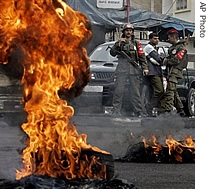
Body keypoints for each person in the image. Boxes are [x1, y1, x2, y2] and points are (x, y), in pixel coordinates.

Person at [109, 23, 149, 117]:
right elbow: (112, 53)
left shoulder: (136, 43)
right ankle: (116, 111)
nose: (129, 32)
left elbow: (142, 56)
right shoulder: (120, 42)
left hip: (133, 70)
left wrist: (145, 68)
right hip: (122, 70)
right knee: (119, 91)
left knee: (135, 92)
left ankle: (138, 111)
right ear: (124, 32)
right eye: (127, 30)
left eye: (130, 30)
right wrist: (118, 44)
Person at [160, 29, 188, 116]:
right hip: (170, 71)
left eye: (169, 37)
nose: (168, 39)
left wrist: (167, 61)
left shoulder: (181, 48)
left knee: (170, 91)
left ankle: (168, 110)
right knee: (174, 91)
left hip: (175, 71)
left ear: (173, 37)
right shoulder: (173, 47)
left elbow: (176, 60)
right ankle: (180, 110)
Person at [143, 32, 165, 117]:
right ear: (150, 39)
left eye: (157, 38)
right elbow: (159, 59)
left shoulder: (154, 47)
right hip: (153, 72)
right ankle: (149, 107)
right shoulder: (149, 47)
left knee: (158, 91)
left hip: (156, 71)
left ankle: (153, 109)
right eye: (155, 38)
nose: (157, 40)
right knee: (159, 90)